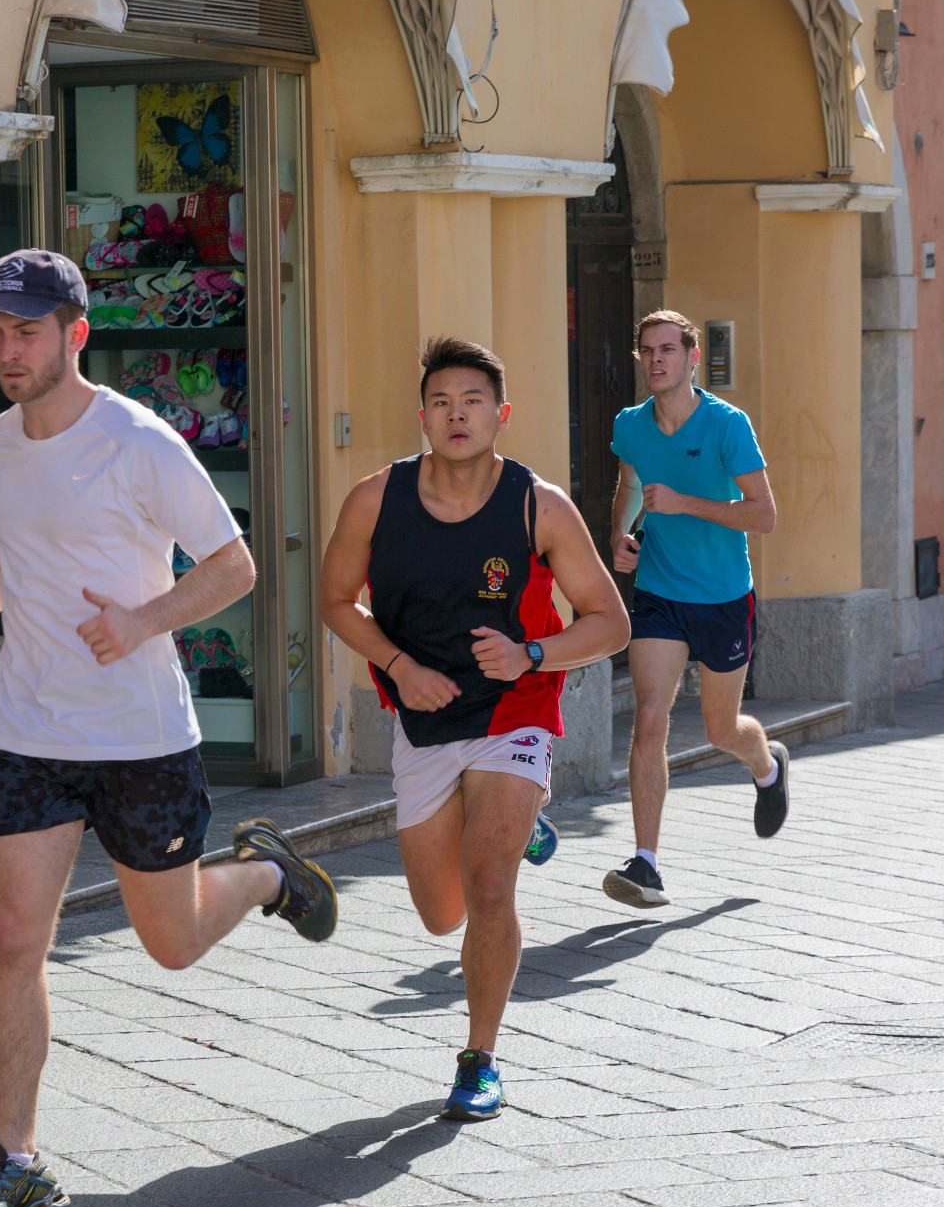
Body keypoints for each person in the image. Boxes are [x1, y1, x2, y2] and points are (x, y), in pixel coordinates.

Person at [0, 250, 338, 1207]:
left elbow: (233, 564)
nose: (7, 350)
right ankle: (16, 1163)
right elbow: (18, 537)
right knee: (9, 934)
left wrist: (142, 618)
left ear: (75, 335)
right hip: (30, 730)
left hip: (140, 736)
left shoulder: (138, 442)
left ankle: (258, 876)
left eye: (25, 332)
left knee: (169, 943)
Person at [320, 336, 630, 1121]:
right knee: (441, 912)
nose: (457, 416)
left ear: (501, 414)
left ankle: (479, 1057)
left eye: (473, 402)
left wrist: (532, 653)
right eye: (441, 403)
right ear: (422, 415)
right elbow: (333, 600)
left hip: (514, 712)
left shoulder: (538, 505)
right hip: (423, 721)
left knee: (490, 887)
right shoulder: (374, 499)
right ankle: (516, 822)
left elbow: (611, 623)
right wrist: (396, 664)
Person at [604, 310, 787, 910]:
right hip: (659, 593)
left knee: (718, 728)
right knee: (650, 715)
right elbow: (629, 484)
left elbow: (764, 515)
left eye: (666, 350)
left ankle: (766, 765)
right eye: (647, 351)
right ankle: (647, 863)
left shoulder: (727, 426)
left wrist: (686, 503)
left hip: (724, 596)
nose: (656, 360)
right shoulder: (630, 426)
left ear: (691, 357)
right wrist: (620, 536)